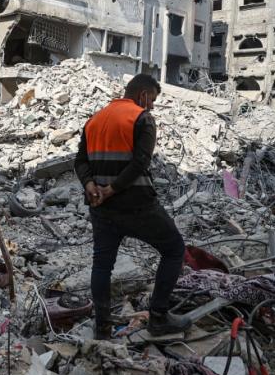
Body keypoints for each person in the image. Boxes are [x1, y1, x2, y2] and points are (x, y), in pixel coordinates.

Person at [74, 73, 191, 339]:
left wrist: (90, 184)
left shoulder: (94, 120)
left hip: (100, 207)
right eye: (152, 101)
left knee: (102, 265)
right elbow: (140, 163)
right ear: (144, 96)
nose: (152, 107)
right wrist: (113, 189)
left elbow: (80, 160)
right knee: (174, 250)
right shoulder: (142, 118)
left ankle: (102, 327)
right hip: (136, 205)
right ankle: (159, 317)